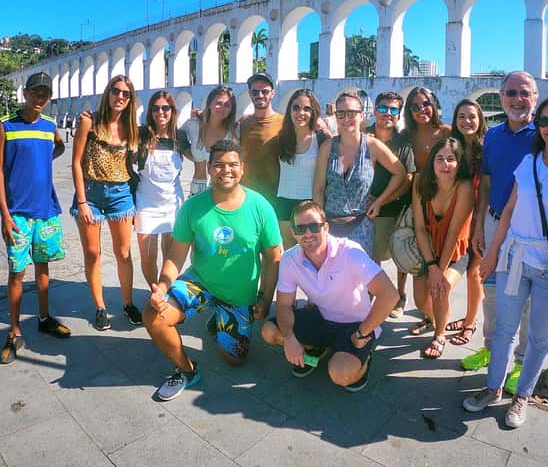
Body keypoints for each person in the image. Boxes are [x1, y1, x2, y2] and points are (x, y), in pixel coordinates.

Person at [464, 96, 548, 428]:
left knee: (539, 336)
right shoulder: (529, 161)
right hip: (515, 258)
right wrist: (492, 254)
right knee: (504, 329)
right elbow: (509, 210)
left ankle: (522, 395)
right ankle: (493, 387)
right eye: (544, 121)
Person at [143, 139, 283, 401]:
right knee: (153, 315)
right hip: (201, 283)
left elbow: (274, 257)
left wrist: (265, 299)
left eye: (232, 164)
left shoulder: (260, 206)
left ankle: (220, 316)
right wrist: (161, 288)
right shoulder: (193, 207)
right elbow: (175, 256)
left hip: (238, 295)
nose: (226, 170)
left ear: (242, 168)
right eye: (218, 164)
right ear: (208, 168)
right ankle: (186, 370)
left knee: (234, 359)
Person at [260, 201, 398, 391]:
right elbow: (284, 305)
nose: (308, 233)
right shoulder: (290, 258)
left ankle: (363, 361)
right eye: (300, 228)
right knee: (269, 331)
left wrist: (362, 332)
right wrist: (289, 338)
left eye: (314, 226)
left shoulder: (350, 252)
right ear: (293, 233)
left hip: (354, 325)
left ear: (326, 227)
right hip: (321, 316)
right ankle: (313, 349)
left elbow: (389, 294)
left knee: (341, 375)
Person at [0, 71, 71, 364]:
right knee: (17, 272)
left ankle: (44, 317)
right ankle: (14, 331)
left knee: (43, 266)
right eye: (35, 92)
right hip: (18, 214)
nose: (40, 98)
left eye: (45, 94)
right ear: (24, 93)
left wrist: (41, 161)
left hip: (45, 210)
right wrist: (4, 214)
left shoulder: (50, 126)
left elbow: (59, 145)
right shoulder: (6, 125)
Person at [71, 74, 141, 331]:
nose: (120, 96)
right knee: (93, 253)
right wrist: (81, 202)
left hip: (120, 192)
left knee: (123, 252)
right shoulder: (89, 121)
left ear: (130, 99)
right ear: (108, 93)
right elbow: (76, 162)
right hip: (91, 193)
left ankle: (128, 303)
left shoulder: (130, 128)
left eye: (125, 93)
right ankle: (100, 307)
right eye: (115, 91)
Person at [313, 91, 406, 257]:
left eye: (351, 113)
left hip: (361, 227)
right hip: (330, 227)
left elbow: (399, 173)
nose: (346, 119)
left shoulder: (372, 146)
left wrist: (379, 201)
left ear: (361, 115)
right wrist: (319, 223)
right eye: (341, 114)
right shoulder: (327, 147)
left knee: (360, 272)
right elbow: (319, 188)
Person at [409, 138, 474, 358]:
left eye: (450, 159)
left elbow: (453, 234)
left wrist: (439, 272)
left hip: (456, 251)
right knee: (420, 299)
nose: (445, 164)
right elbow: (419, 228)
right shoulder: (420, 181)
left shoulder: (464, 187)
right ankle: (435, 318)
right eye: (439, 158)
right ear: (432, 162)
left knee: (440, 289)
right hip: (428, 247)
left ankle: (439, 335)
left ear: (458, 163)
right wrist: (431, 266)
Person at [393, 87, 451, 314]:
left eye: (425, 104)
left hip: (439, 199)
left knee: (433, 247)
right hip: (411, 197)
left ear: (434, 105)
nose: (421, 110)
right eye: (415, 106)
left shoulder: (446, 132)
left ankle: (433, 303)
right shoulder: (406, 135)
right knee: (405, 244)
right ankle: (400, 296)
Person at [366, 92, 416, 317]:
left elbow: (407, 180)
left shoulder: (403, 143)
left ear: (398, 114)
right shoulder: (363, 135)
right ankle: (373, 292)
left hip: (394, 206)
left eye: (394, 109)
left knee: (399, 255)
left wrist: (381, 201)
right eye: (383, 108)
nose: (388, 113)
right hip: (364, 206)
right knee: (372, 254)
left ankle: (400, 295)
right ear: (375, 110)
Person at [445, 99, 488, 345]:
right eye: (461, 116)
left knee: (474, 273)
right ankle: (449, 317)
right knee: (455, 270)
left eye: (472, 116)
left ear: (480, 119)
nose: (467, 121)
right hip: (459, 218)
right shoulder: (454, 146)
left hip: (481, 217)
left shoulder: (488, 147)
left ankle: (470, 323)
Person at [134, 90, 185, 288]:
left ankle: (165, 292)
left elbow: (201, 152)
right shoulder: (141, 135)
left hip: (172, 205)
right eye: (155, 108)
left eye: (165, 108)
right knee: (148, 257)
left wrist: (201, 117)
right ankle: (155, 290)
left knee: (170, 255)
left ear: (173, 111)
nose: (160, 112)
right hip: (146, 205)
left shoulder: (180, 137)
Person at [276, 88, 329, 248]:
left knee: (313, 253)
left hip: (311, 204)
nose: (301, 113)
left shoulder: (322, 139)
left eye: (307, 108)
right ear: (289, 110)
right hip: (285, 204)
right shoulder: (280, 139)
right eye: (296, 108)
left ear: (313, 112)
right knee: (290, 254)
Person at [238, 73, 284, 214]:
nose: (260, 95)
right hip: (246, 195)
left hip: (276, 196)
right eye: (255, 92)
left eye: (265, 91)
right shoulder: (242, 123)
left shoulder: (284, 123)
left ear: (273, 93)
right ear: (249, 94)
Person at [179, 85, 237, 195]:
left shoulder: (233, 131)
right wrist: (189, 153)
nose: (222, 108)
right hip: (198, 188)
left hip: (223, 189)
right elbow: (175, 136)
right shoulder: (194, 125)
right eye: (219, 103)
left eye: (227, 105)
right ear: (209, 104)